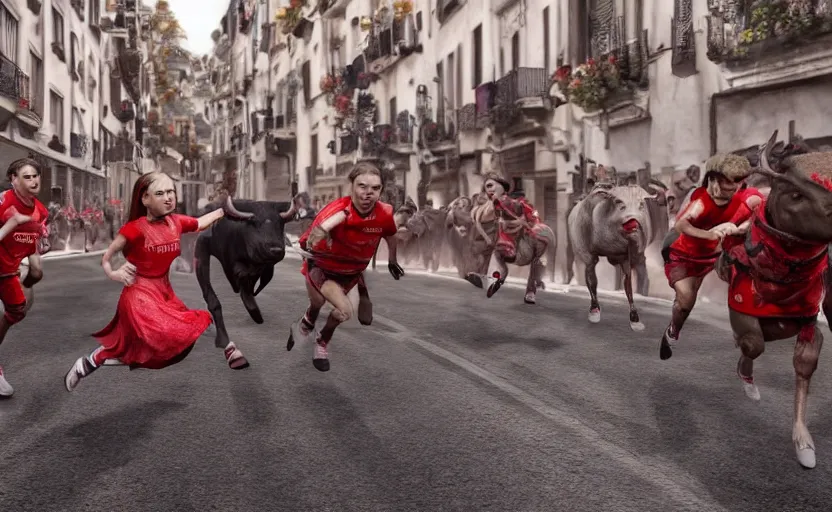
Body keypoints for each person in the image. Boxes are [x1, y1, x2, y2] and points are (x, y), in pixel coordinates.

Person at [64, 172, 253, 391]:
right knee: (158, 341)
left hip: (163, 291)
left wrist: (224, 211)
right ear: (145, 199)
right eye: (160, 193)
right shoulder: (134, 229)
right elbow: (107, 258)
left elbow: (200, 223)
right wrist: (115, 273)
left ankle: (228, 349)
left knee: (190, 326)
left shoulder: (176, 222)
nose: (168, 198)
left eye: (171, 191)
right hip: (139, 295)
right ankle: (90, 361)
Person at [289, 162, 404, 372]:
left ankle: (307, 323)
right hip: (323, 268)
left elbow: (390, 234)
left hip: (350, 273)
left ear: (380, 190)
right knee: (340, 310)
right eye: (362, 186)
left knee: (319, 306)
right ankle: (322, 341)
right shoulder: (334, 212)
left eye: (375, 188)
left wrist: (392, 260)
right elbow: (311, 239)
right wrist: (320, 235)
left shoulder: (384, 214)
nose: (368, 193)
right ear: (351, 186)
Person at [659, 153, 753, 360]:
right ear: (713, 180)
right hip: (683, 255)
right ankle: (672, 332)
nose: (733, 188)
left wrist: (740, 228)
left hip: (709, 258)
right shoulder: (701, 201)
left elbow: (760, 208)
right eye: (728, 183)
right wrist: (710, 234)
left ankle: (674, 329)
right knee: (685, 302)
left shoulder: (742, 197)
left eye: (737, 183)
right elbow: (682, 224)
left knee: (689, 304)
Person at [0, 159, 49, 397]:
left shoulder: (41, 211)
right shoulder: (2, 202)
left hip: (8, 271)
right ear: (13, 179)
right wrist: (12, 222)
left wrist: (36, 268)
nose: (34, 181)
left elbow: (32, 244)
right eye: (27, 177)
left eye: (36, 176)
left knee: (18, 310)